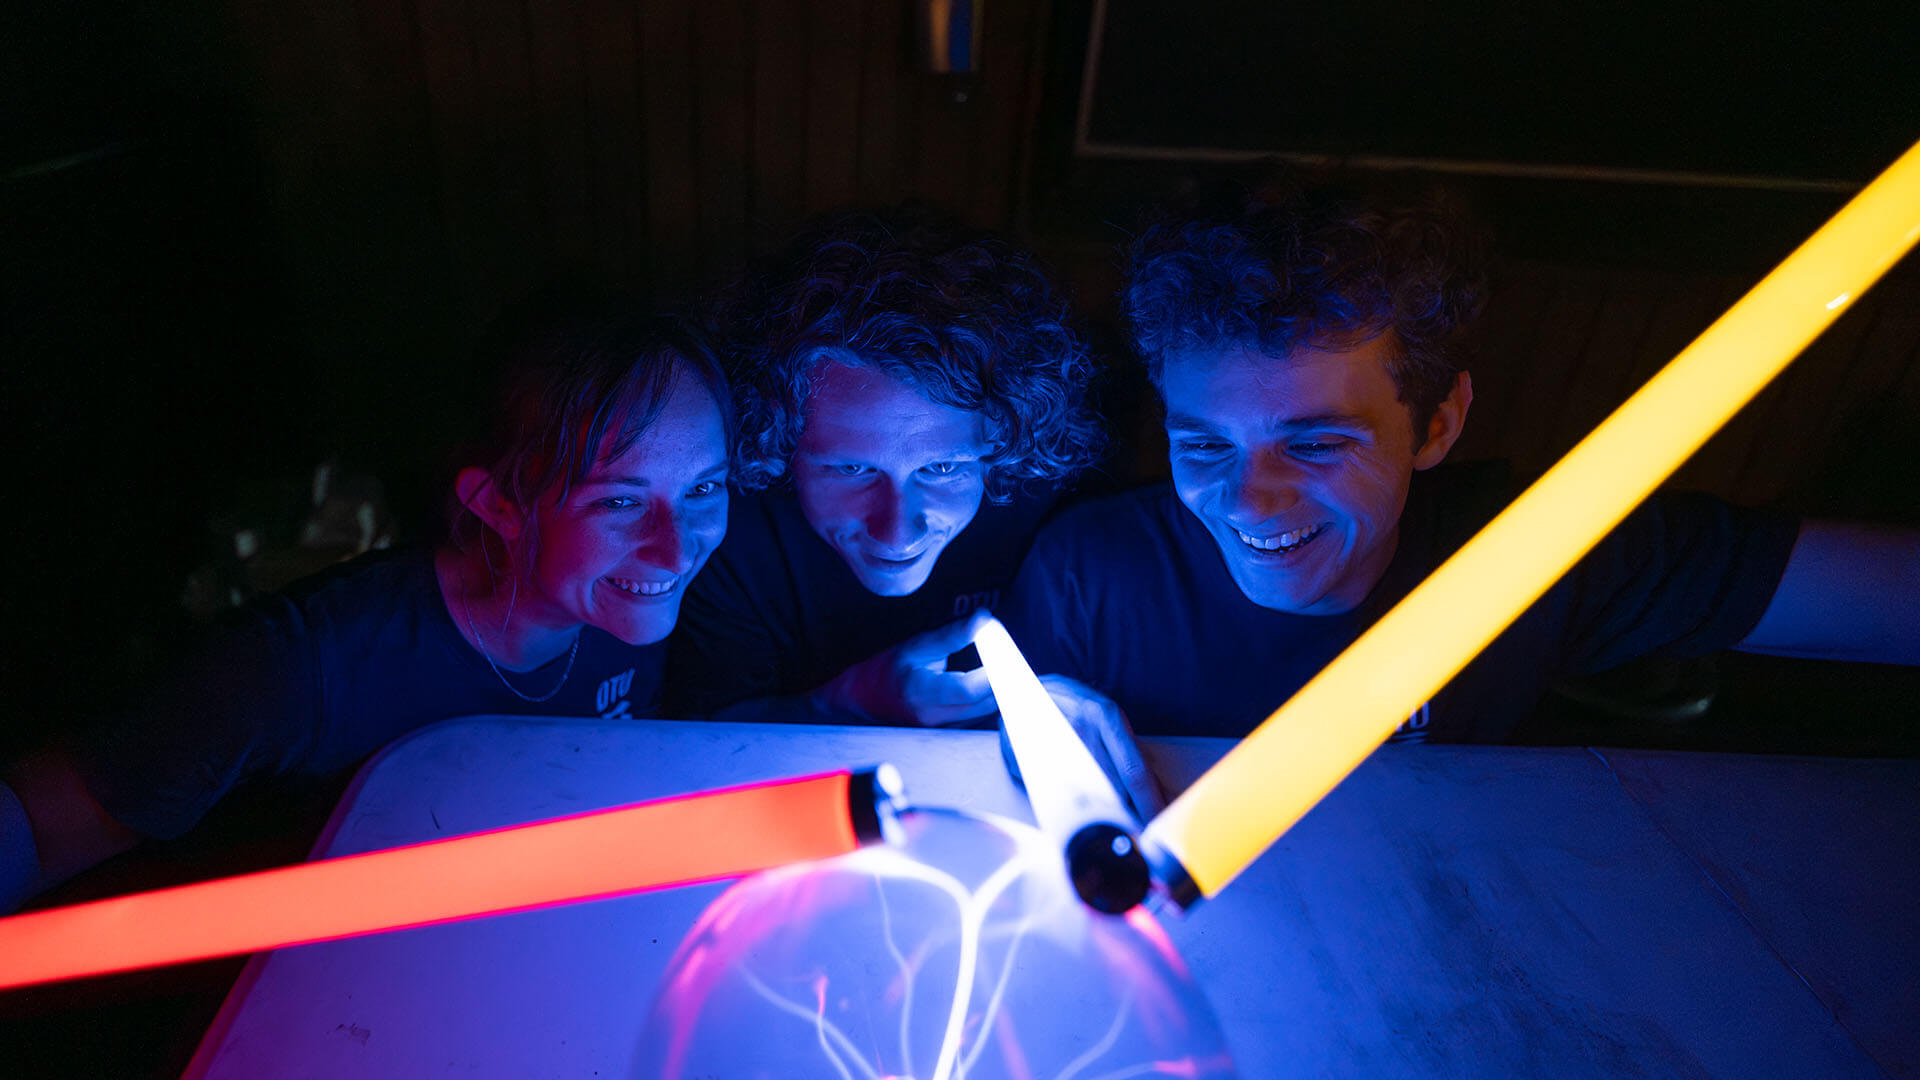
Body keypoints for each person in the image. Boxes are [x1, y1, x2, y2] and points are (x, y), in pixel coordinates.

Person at [999, 183, 1920, 760]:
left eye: (1315, 444)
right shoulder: (1087, 575)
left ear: (1436, 423)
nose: (1249, 499)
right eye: (1204, 445)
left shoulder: (1530, 551)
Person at [1, 308, 732, 912]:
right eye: (619, 502)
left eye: (703, 488)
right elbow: (36, 821)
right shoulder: (299, 667)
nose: (678, 549)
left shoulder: (630, 603)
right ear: (499, 507)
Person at [667, 209, 1105, 727]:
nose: (898, 533)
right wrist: (848, 702)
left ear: (1001, 439)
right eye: (851, 470)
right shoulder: (727, 539)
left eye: (942, 468)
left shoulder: (1057, 517)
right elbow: (704, 736)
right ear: (778, 440)